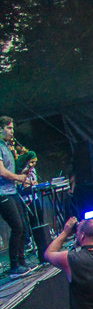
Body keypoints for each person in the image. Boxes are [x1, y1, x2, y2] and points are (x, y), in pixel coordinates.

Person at [0, 116, 32, 276]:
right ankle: (14, 266)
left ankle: (21, 262)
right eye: (9, 128)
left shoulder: (7, 147)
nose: (12, 131)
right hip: (2, 194)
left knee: (23, 225)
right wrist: (18, 178)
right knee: (17, 226)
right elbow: (2, 171)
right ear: (0, 129)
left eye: (12, 128)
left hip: (12, 191)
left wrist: (22, 180)